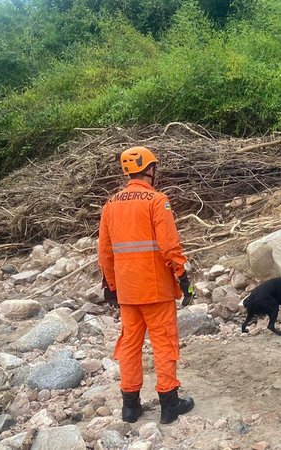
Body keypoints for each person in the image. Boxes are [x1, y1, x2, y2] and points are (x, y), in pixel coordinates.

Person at [98, 146, 195, 424]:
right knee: (164, 344)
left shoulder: (111, 204)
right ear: (150, 170)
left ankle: (130, 407)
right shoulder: (156, 200)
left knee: (129, 345)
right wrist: (183, 277)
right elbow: (170, 245)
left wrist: (111, 286)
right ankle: (169, 403)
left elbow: (105, 252)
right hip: (155, 290)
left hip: (127, 292)